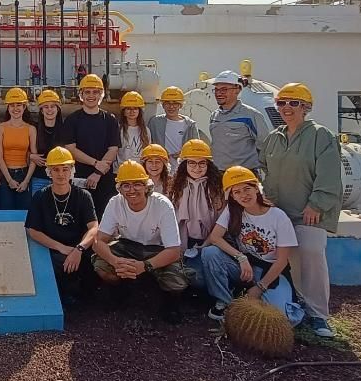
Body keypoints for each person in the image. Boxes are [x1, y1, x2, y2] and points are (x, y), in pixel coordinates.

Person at [260, 83, 342, 338]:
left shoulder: (321, 136)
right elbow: (267, 171)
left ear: (305, 108)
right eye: (282, 103)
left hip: (310, 212)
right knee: (286, 262)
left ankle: (318, 315)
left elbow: (329, 175)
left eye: (293, 103)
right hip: (280, 212)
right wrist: (267, 201)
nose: (287, 107)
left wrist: (317, 204)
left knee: (311, 257)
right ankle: (295, 307)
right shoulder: (274, 138)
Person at [199, 166, 304, 326]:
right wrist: (240, 257)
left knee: (284, 319)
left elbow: (282, 261)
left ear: (257, 188)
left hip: (269, 271)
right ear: (232, 196)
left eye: (247, 189)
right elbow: (215, 237)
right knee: (210, 253)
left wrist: (260, 287)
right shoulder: (233, 211)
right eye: (237, 192)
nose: (243, 195)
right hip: (244, 266)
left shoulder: (278, 217)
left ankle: (253, 296)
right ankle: (225, 303)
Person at [92, 160, 190, 324]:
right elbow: (98, 241)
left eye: (137, 184)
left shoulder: (162, 205)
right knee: (102, 266)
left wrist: (144, 266)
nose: (132, 190)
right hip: (126, 246)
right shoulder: (115, 203)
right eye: (126, 185)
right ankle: (120, 292)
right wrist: (115, 262)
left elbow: (174, 250)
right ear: (120, 188)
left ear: (147, 186)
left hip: (157, 250)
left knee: (176, 282)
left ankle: (170, 304)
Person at [24, 147, 99, 304]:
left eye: (65, 169)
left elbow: (93, 227)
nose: (61, 174)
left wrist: (78, 249)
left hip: (79, 248)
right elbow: (33, 230)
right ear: (48, 172)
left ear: (72, 171)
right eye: (56, 170)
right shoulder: (40, 196)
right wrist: (60, 247)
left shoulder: (83, 196)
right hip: (52, 249)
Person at [61, 73, 120, 219]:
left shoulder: (110, 120)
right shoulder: (72, 120)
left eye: (95, 92)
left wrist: (97, 173)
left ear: (102, 94)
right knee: (79, 219)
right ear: (81, 94)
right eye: (87, 92)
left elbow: (113, 149)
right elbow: (71, 149)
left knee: (104, 221)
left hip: (104, 181)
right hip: (79, 180)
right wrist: (95, 163)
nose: (91, 95)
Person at [167, 139, 225, 285]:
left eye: (202, 163)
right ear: (184, 164)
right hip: (184, 242)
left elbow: (223, 221)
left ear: (208, 164)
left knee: (200, 278)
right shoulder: (176, 186)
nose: (197, 168)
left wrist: (205, 245)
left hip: (211, 243)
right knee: (187, 278)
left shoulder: (218, 186)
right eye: (192, 162)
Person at [209, 70, 269, 172]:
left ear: (237, 89)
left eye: (224, 89)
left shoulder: (251, 115)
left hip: (243, 177)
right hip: (219, 176)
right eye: (216, 89)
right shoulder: (214, 116)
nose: (219, 93)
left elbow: (265, 147)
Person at [0, 87, 38, 211]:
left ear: (24, 107)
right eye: (12, 105)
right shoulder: (1, 128)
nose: (15, 108)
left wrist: (26, 181)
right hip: (6, 175)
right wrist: (9, 180)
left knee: (24, 214)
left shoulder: (30, 129)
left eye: (19, 105)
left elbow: (33, 157)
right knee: (6, 214)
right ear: (8, 108)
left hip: (24, 175)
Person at [146, 86, 200, 168]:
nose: (171, 107)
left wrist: (184, 153)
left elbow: (196, 148)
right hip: (161, 168)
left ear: (180, 105)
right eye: (168, 103)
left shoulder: (190, 125)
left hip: (184, 168)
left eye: (175, 103)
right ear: (163, 105)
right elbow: (148, 143)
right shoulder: (155, 122)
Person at [29, 89, 63, 194]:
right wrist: (30, 155)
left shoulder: (66, 129)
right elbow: (22, 148)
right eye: (46, 107)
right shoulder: (33, 128)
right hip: (39, 179)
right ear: (41, 110)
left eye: (52, 106)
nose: (49, 110)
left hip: (60, 179)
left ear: (58, 109)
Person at [116, 91, 151, 169]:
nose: (132, 111)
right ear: (124, 112)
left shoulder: (146, 130)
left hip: (140, 171)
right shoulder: (118, 129)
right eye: (128, 108)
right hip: (120, 171)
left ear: (139, 111)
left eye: (135, 108)